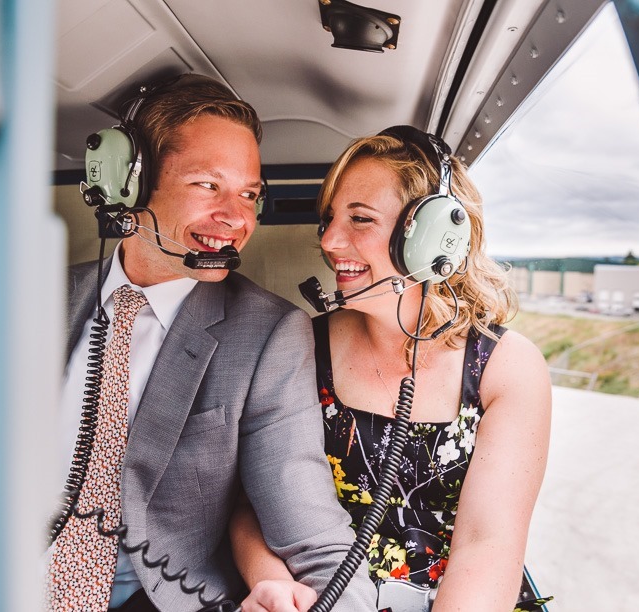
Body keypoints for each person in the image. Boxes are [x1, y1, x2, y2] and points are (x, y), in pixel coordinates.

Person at [48, 74, 375, 612]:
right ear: (128, 182)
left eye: (249, 194)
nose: (239, 217)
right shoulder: (31, 295)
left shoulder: (269, 334)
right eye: (208, 185)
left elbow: (311, 528)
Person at [231, 126, 553, 611]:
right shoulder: (298, 344)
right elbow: (253, 504)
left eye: (360, 219)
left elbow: (488, 545)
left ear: (433, 237)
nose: (331, 241)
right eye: (329, 220)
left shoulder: (506, 369)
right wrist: (272, 584)